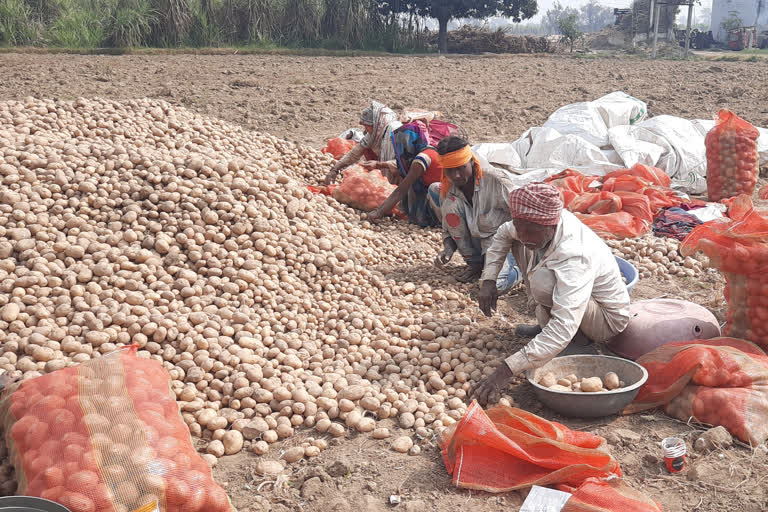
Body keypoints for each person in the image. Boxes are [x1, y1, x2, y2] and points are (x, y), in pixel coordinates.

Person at [471, 183, 631, 407]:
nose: (524, 234)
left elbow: (565, 324)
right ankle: (547, 329)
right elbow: (503, 234)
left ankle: (579, 342)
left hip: (605, 319)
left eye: (531, 230)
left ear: (551, 225)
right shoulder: (533, 223)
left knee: (544, 283)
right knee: (521, 245)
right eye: (520, 225)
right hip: (578, 304)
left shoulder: (575, 254)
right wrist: (488, 280)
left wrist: (505, 371)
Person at [427, 136, 521, 289]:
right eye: (450, 170)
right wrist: (448, 250)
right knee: (446, 200)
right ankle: (476, 264)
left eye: (461, 168)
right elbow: (448, 227)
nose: (456, 175)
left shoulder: (495, 181)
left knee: (496, 286)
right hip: (478, 242)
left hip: (502, 243)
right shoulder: (448, 187)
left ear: (471, 161)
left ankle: (519, 269)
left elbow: (523, 214)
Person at [366, 126, 442, 227]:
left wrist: (378, 212)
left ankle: (433, 221)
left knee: (409, 184)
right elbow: (398, 165)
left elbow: (401, 190)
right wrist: (378, 164)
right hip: (439, 193)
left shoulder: (421, 159)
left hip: (439, 197)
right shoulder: (429, 150)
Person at [324, 101, 402, 186]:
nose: (364, 131)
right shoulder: (375, 133)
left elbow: (404, 163)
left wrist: (378, 164)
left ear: (376, 124)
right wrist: (335, 169)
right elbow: (354, 153)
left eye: (366, 126)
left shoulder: (396, 132)